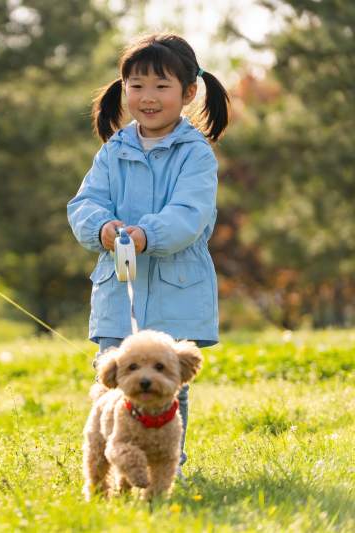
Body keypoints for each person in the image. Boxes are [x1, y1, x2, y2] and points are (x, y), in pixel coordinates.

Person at [66, 32, 230, 472]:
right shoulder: (113, 152)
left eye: (161, 86)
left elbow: (189, 214)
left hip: (177, 290)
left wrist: (146, 234)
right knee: (115, 387)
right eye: (136, 86)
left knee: (168, 387)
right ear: (123, 90)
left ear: (189, 92)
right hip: (118, 293)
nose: (148, 97)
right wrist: (102, 227)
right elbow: (85, 203)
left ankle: (166, 467)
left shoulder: (195, 154)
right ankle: (111, 460)